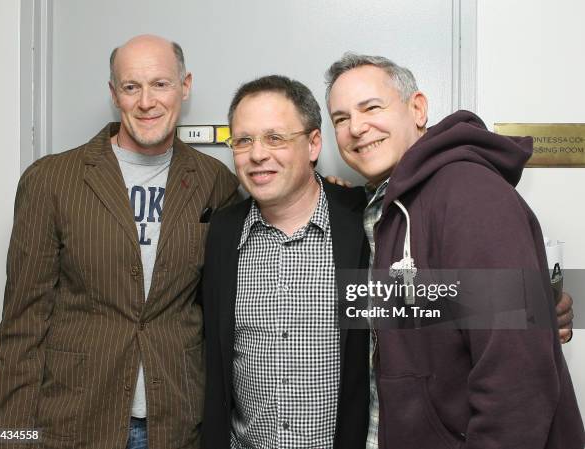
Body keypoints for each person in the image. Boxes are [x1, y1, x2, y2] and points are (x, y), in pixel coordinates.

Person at [0, 34, 238, 449]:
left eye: (160, 84)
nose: (146, 101)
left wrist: (335, 194)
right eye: (131, 87)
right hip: (73, 424)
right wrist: (4, 439)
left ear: (184, 86)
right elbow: (22, 326)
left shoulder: (216, 183)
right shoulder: (52, 180)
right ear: (113, 94)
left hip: (176, 425)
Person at [325, 53, 584, 449]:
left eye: (371, 107)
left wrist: (535, 312)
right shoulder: (386, 207)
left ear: (418, 109)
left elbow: (519, 375)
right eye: (340, 119)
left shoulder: (468, 193)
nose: (356, 128)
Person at [201, 75, 370, 449]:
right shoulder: (221, 234)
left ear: (313, 144)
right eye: (244, 140)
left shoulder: (365, 224)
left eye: (275, 138)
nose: (258, 154)